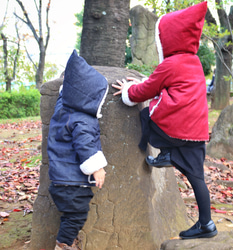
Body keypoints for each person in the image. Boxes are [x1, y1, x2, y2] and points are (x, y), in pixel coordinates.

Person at [112, 1, 217, 240]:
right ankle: (206, 224)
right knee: (196, 177)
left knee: (147, 116)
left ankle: (167, 153)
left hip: (175, 131)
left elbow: (144, 91)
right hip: (197, 132)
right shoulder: (194, 62)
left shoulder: (170, 64)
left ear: (167, 39)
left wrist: (128, 89)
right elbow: (171, 84)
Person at [47, 50, 108, 250]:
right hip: (71, 181)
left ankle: (68, 240)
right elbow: (85, 144)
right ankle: (63, 244)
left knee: (72, 215)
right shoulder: (83, 119)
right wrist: (97, 168)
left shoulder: (63, 110)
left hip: (61, 179)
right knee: (76, 216)